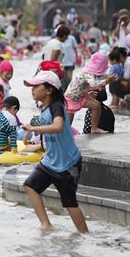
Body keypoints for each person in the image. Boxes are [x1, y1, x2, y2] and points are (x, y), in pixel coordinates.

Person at [21, 71, 88, 234]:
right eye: (32, 86)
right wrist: (47, 151)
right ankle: (46, 225)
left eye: (36, 86)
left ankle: (84, 235)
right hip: (50, 162)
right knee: (30, 186)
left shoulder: (56, 106)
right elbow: (52, 136)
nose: (32, 89)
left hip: (67, 164)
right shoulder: (43, 108)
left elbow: (58, 127)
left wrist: (33, 128)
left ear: (49, 90)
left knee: (69, 203)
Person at [64, 52, 115, 133]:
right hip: (71, 97)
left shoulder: (90, 73)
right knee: (70, 116)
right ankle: (65, 132)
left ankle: (94, 128)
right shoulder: (88, 74)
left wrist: (87, 94)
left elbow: (100, 77)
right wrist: (107, 81)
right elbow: (94, 84)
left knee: (96, 105)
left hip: (80, 95)